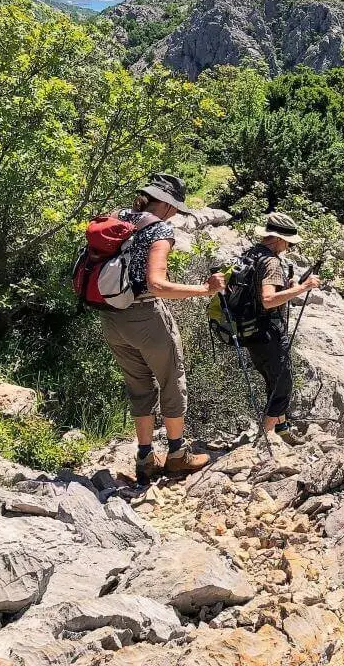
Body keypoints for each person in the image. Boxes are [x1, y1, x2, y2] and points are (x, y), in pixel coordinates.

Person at [99, 173, 225, 480]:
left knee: (139, 384)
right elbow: (157, 284)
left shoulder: (118, 217)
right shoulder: (159, 228)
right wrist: (205, 290)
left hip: (111, 317)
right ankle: (177, 455)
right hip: (145, 316)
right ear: (167, 204)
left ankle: (144, 458)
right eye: (176, 209)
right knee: (172, 379)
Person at [244, 213, 320, 445]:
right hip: (267, 331)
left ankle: (282, 428)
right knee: (282, 382)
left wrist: (287, 287)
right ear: (278, 239)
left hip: (248, 329)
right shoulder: (271, 261)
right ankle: (266, 436)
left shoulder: (250, 254)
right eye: (288, 242)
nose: (288, 246)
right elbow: (268, 300)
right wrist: (303, 288)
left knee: (273, 378)